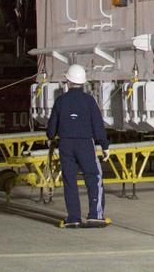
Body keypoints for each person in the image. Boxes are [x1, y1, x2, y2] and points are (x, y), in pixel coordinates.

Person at [46, 64, 108, 228]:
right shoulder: (89, 101)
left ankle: (73, 218)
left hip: (66, 144)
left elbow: (52, 127)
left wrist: (51, 137)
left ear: (67, 80)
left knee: (69, 180)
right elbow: (98, 125)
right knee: (93, 177)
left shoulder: (61, 101)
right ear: (83, 82)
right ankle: (95, 215)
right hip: (85, 143)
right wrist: (104, 145)